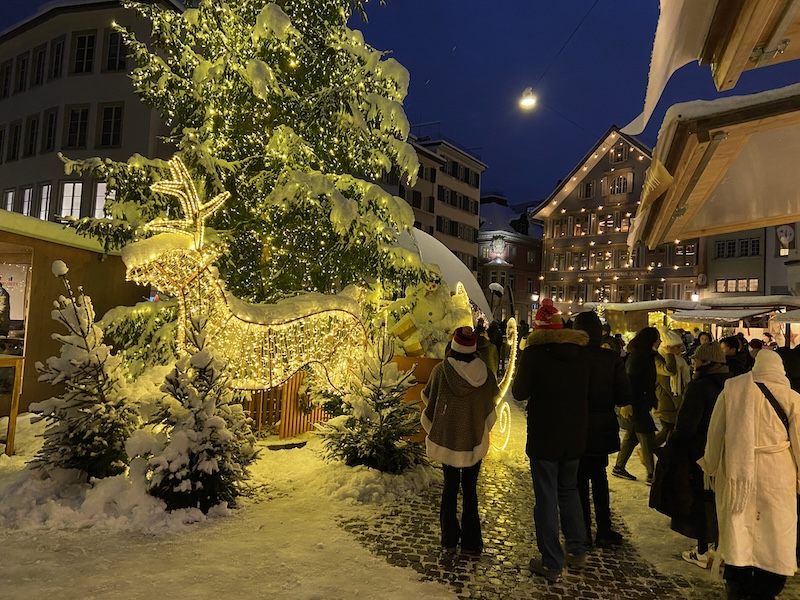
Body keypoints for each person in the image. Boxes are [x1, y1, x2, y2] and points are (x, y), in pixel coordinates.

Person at [700, 349, 800, 600]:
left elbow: (715, 433)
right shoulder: (792, 398)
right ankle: (766, 587)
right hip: (777, 473)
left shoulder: (732, 390)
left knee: (737, 528)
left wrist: (710, 466)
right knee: (776, 532)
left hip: (735, 472)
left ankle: (737, 585)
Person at [513, 298, 590, 583]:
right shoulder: (582, 354)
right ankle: (577, 550)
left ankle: (551, 561)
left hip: (545, 434)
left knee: (546, 496)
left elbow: (519, 392)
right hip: (574, 433)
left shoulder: (535, 354)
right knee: (569, 490)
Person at [421, 326, 499, 557]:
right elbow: (490, 407)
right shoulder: (485, 374)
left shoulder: (440, 371)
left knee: (450, 487)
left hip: (448, 440)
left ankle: (448, 539)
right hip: (474, 439)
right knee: (471, 490)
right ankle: (472, 542)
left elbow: (429, 401)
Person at [658, 342, 730, 569]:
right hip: (725, 450)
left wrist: (675, 447)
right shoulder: (731, 384)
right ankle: (720, 547)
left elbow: (688, 423)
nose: (694, 362)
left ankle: (702, 551)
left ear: (707, 362)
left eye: (697, 359)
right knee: (719, 500)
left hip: (699, 451)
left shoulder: (700, 386)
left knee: (700, 499)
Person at [573, 311, 633, 548]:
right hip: (602, 428)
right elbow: (623, 396)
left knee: (578, 482)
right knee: (599, 479)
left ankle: (583, 530)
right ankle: (604, 529)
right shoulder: (611, 359)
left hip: (576, 427)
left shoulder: (572, 357)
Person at [612, 327, 660, 485]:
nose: (660, 342)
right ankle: (652, 474)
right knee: (647, 437)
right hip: (636, 404)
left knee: (632, 437)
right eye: (658, 339)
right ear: (650, 340)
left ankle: (619, 467)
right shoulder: (638, 357)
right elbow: (630, 381)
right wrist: (627, 402)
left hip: (640, 402)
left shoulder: (644, 355)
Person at [654, 330, 690, 447]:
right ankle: (648, 449)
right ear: (667, 347)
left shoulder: (679, 361)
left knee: (671, 431)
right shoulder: (659, 360)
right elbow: (670, 370)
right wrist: (669, 355)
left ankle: (654, 451)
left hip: (676, 402)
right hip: (665, 402)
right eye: (677, 347)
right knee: (669, 429)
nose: (681, 350)